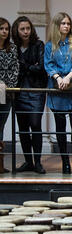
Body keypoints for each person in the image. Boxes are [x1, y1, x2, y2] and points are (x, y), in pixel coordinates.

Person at [44, 12, 72, 174]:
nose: (66, 26)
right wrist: (58, 78)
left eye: (68, 23)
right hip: (57, 89)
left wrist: (67, 77)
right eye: (63, 23)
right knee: (60, 128)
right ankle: (65, 162)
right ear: (57, 25)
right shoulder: (49, 45)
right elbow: (48, 64)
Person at [12, 16, 47, 174]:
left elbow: (41, 69)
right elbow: (14, 70)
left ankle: (38, 162)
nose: (26, 32)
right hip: (19, 93)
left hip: (36, 92)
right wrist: (30, 66)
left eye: (28, 28)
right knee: (23, 128)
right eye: (22, 29)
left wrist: (23, 65)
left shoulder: (39, 45)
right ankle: (28, 161)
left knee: (36, 125)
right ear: (17, 31)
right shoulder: (13, 48)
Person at [0, 18, 19, 173]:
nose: (4, 31)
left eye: (6, 29)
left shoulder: (12, 48)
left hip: (6, 93)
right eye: (1, 28)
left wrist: (8, 86)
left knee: (1, 125)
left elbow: (15, 69)